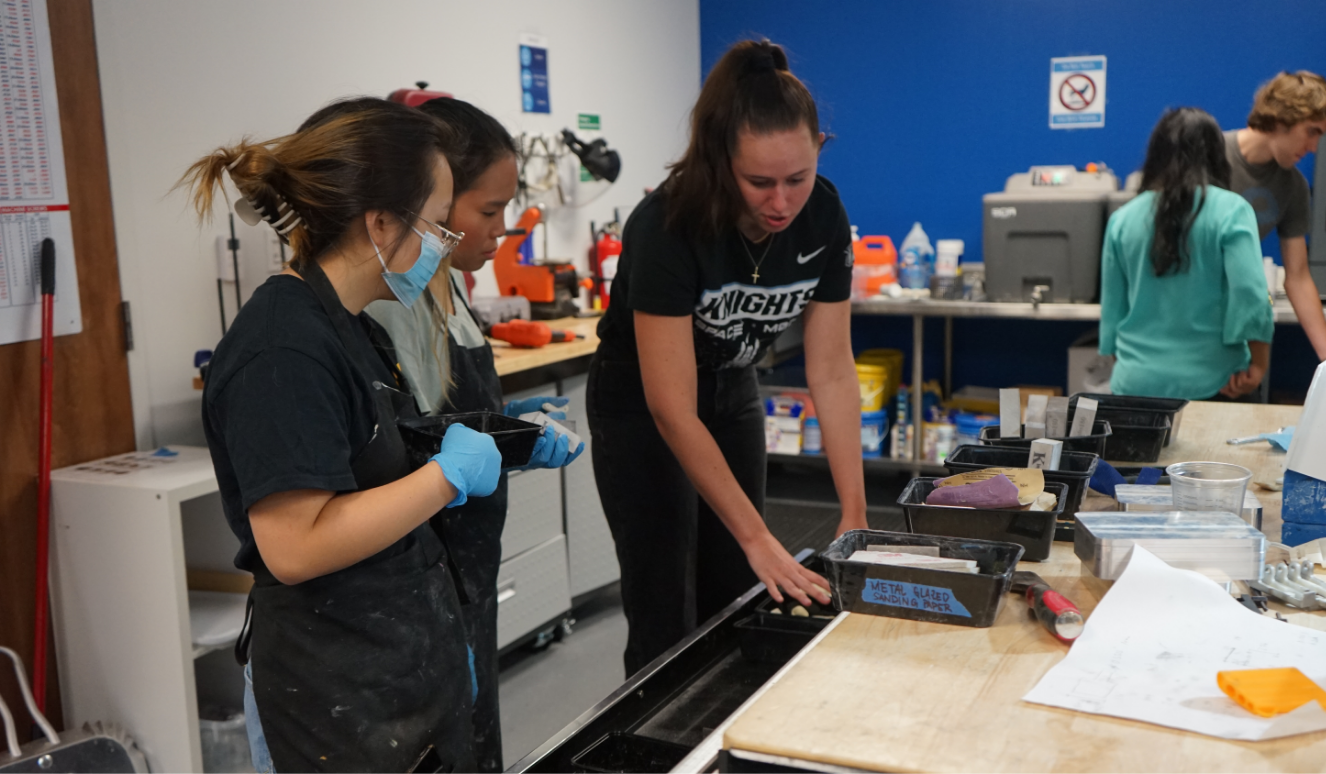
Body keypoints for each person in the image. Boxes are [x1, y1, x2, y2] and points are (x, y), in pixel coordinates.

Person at [184, 97, 501, 774]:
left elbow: (367, 464)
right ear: (382, 223)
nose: (444, 248)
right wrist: (443, 479)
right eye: (438, 226)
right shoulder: (282, 349)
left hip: (389, 662)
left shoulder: (349, 323)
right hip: (332, 688)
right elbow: (296, 544)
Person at [588, 39, 867, 677]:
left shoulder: (823, 215)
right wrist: (759, 538)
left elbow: (830, 370)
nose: (780, 203)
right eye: (759, 182)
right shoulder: (667, 224)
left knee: (737, 589)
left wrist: (853, 512)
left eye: (796, 178)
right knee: (664, 603)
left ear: (818, 149)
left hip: (732, 384)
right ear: (722, 162)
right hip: (641, 403)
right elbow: (671, 407)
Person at [364, 96, 583, 774]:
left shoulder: (446, 283)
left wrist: (516, 437)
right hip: (423, 565)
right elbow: (404, 446)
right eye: (487, 212)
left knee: (477, 729)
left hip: (472, 556)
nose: (502, 230)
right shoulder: (385, 303)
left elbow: (455, 421)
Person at [1100, 107, 1275, 400]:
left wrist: (1133, 368)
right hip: (1218, 382)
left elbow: (1112, 308)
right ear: (1217, 155)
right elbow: (1250, 295)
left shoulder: (1122, 219)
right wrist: (1259, 364)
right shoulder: (1232, 210)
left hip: (1135, 383)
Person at [1226, 71, 1326, 361]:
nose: (1315, 147)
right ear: (1282, 119)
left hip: (1239, 328)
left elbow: (1298, 277)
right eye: (1312, 131)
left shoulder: (1293, 186)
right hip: (1187, 331)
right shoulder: (1209, 156)